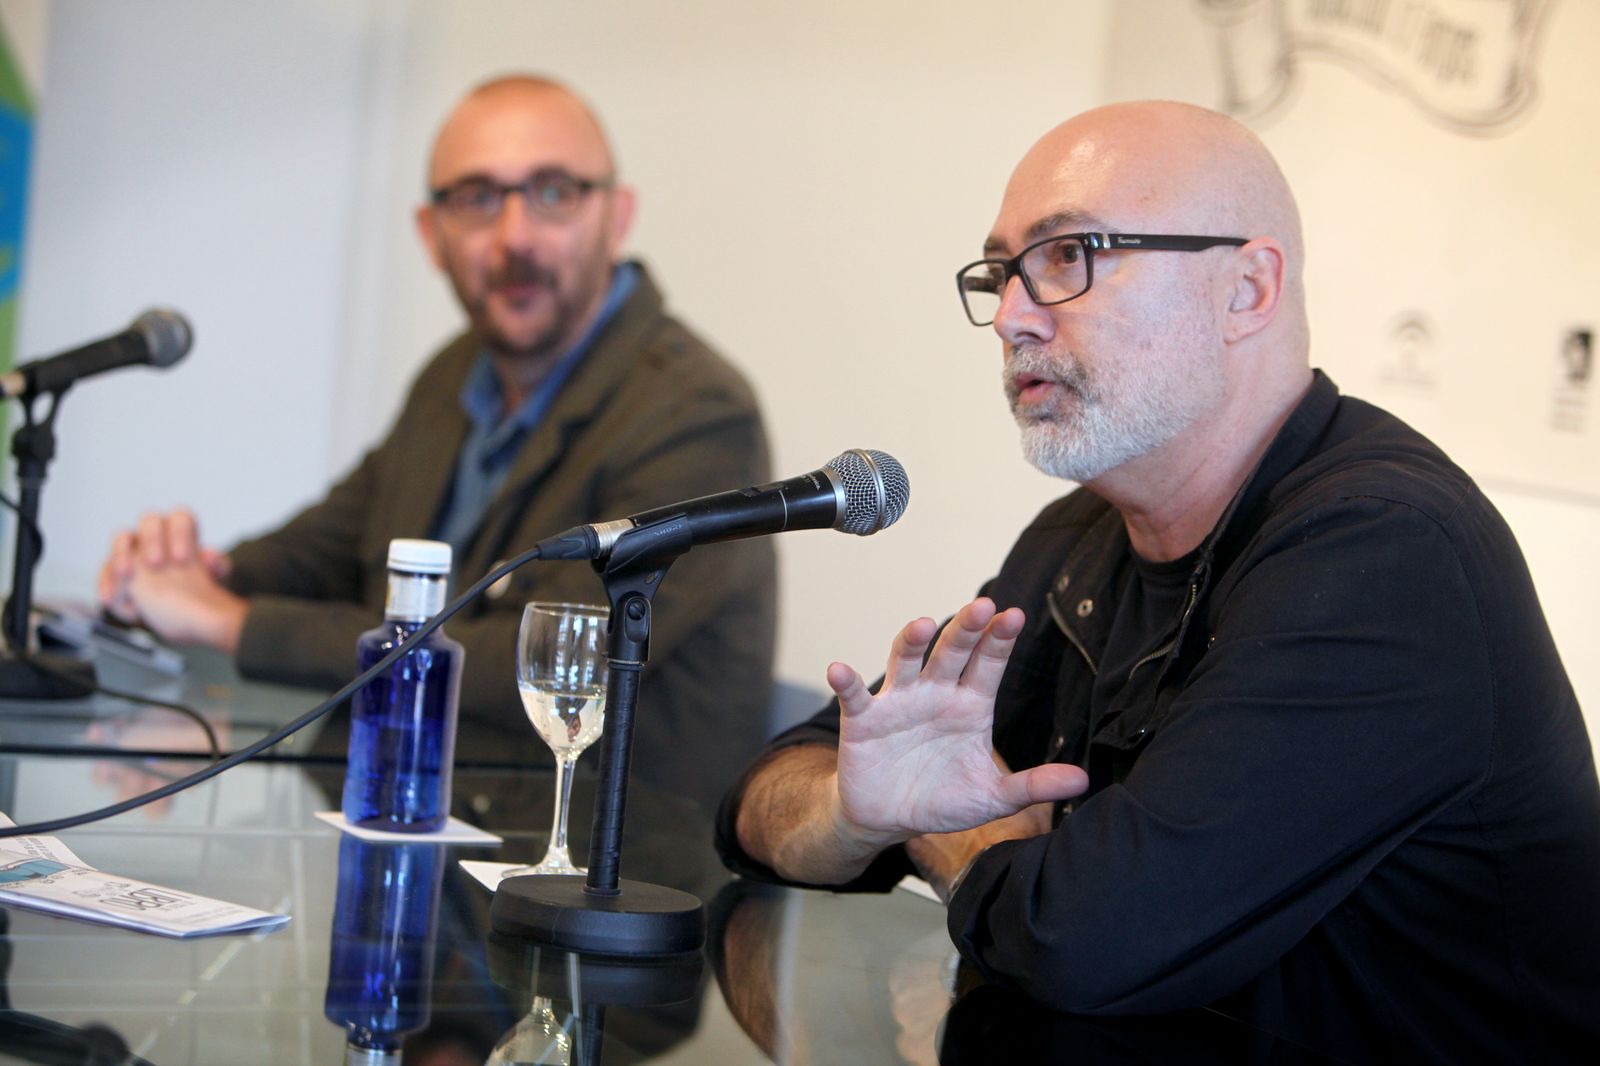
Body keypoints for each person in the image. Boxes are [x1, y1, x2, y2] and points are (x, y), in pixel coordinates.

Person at [716, 101, 1600, 1058]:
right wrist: (857, 810)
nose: (1012, 316)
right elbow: (764, 799)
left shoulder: (1385, 552)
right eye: (1004, 271)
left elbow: (1086, 938)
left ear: (1248, 290)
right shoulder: (1084, 531)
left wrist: (931, 826)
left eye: (1069, 256)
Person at [96, 76, 776, 810]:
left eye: (553, 192)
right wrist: (190, 574)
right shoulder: (453, 377)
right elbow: (326, 549)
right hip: (421, 824)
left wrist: (227, 621)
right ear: (431, 235)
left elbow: (537, 663)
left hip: (609, 871)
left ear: (617, 216)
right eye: (478, 198)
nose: (515, 237)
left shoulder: (697, 415)